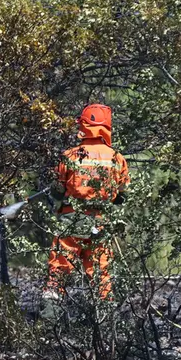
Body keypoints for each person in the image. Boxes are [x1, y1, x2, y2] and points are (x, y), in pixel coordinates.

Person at [45, 104, 130, 300]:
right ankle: (105, 321)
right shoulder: (117, 158)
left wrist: (57, 205)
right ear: (107, 126)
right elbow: (122, 195)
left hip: (70, 220)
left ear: (83, 125)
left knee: (59, 268)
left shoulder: (70, 156)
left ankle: (50, 318)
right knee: (100, 274)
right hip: (100, 222)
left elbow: (58, 190)